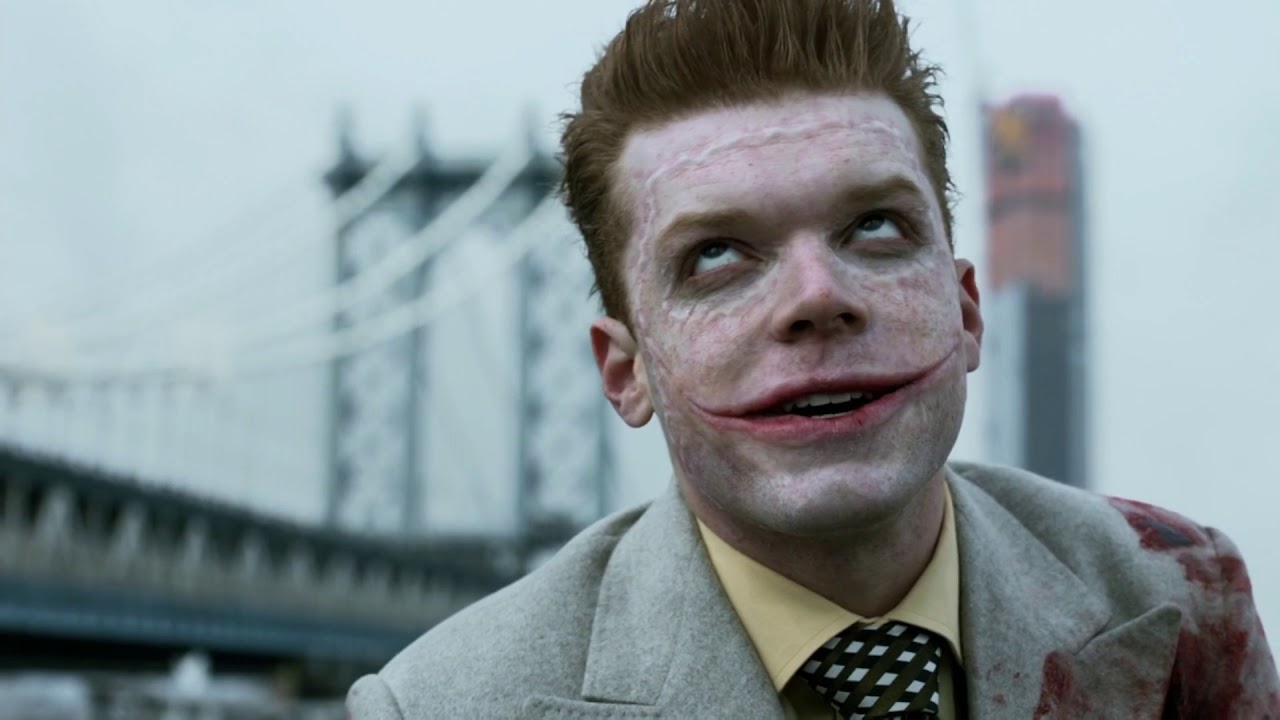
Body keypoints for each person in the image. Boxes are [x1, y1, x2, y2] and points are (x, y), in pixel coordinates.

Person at [347, 0, 1280, 716]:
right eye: (716, 254)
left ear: (965, 310)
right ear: (626, 374)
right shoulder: (437, 707)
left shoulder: (1181, 594)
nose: (816, 296)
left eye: (874, 226)